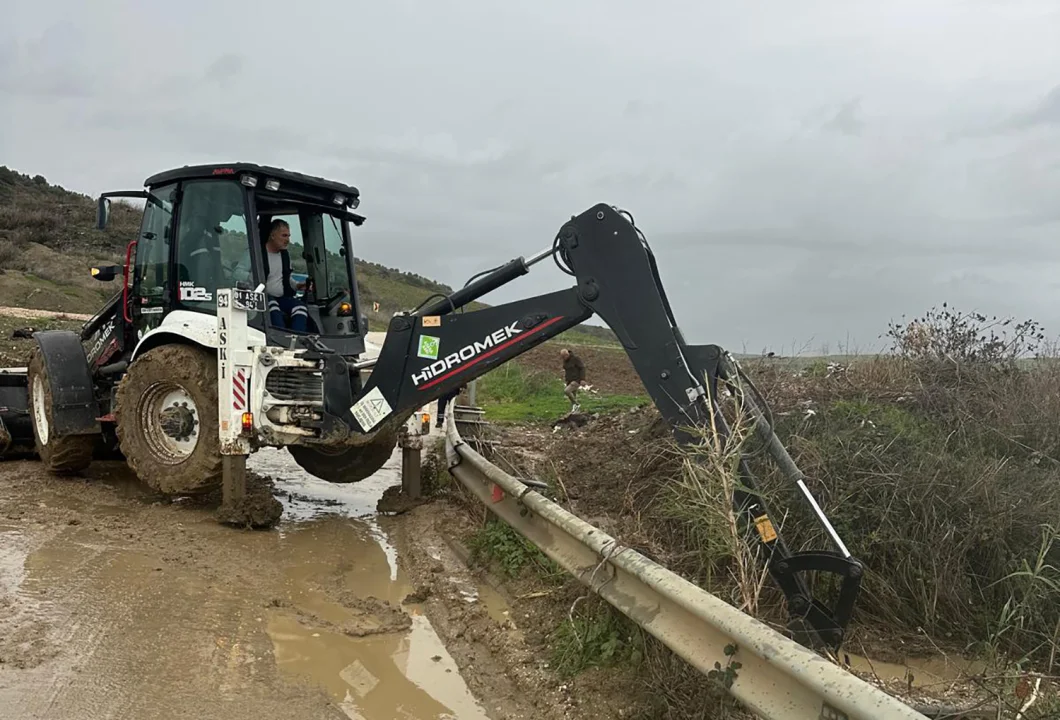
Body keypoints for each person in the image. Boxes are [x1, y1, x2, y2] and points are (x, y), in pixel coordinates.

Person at [262, 219, 308, 332]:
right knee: (273, 308)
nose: (287, 240)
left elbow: (287, 278)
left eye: (288, 236)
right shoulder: (256, 253)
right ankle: (280, 340)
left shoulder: (285, 256)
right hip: (263, 297)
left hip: (282, 298)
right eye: (284, 236)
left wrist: (298, 286)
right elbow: (238, 271)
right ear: (272, 235)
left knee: (300, 308)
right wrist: (251, 279)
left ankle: (298, 338)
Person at [560, 348, 586, 412]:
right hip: (569, 380)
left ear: (567, 354)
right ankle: (575, 410)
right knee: (573, 396)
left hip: (576, 380)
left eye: (563, 357)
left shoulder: (576, 359)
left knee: (567, 391)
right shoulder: (565, 361)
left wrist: (582, 379)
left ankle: (576, 404)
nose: (563, 358)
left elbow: (582, 368)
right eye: (562, 357)